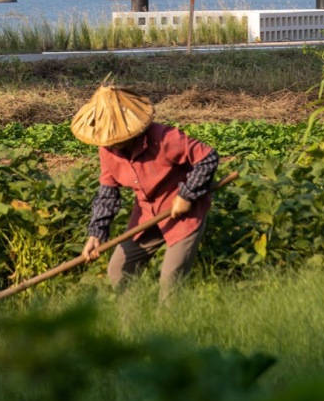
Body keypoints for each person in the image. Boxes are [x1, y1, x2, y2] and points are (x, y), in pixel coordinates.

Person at [72, 83, 219, 299]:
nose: (114, 144)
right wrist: (96, 233)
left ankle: (166, 329)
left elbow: (208, 157)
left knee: (170, 280)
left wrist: (186, 195)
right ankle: (132, 326)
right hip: (147, 216)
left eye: (119, 138)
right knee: (118, 271)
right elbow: (108, 193)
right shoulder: (107, 150)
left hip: (184, 214)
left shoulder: (164, 137)